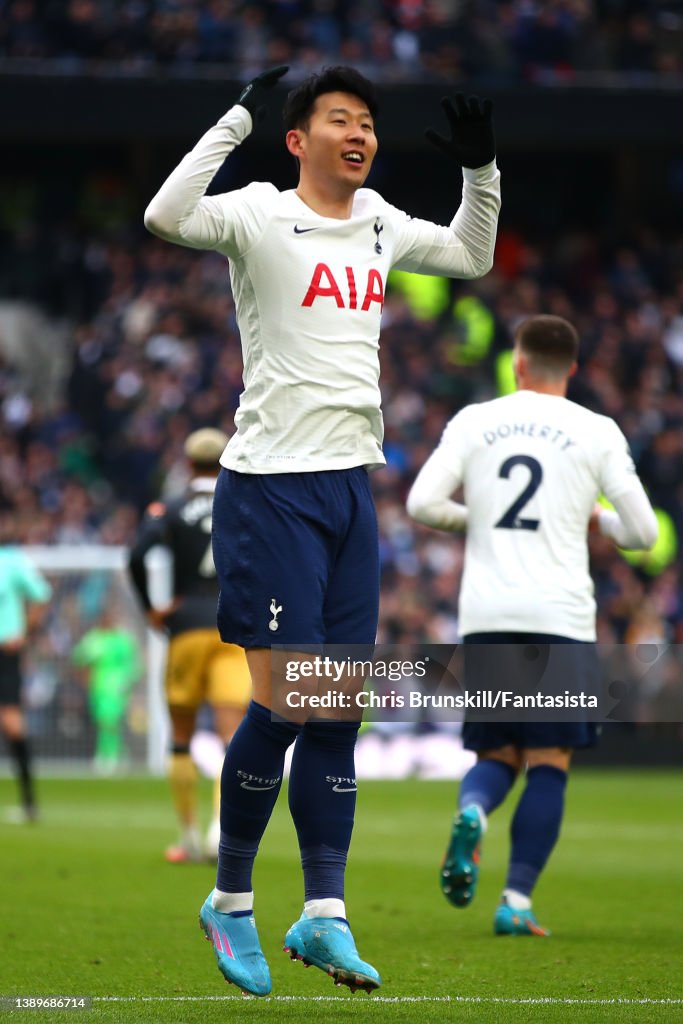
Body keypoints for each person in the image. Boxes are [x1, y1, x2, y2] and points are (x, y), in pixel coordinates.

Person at [144, 64, 500, 995]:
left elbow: (469, 257)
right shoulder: (257, 212)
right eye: (340, 119)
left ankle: (322, 914)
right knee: (290, 702)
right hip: (268, 490)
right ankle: (227, 902)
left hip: (350, 487)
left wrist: (480, 171)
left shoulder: (380, 219)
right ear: (298, 139)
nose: (361, 133)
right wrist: (234, 120)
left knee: (339, 708)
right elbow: (166, 216)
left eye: (369, 122)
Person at [407, 314, 658, 936]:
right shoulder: (596, 431)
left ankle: (473, 810)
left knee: (497, 752)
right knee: (548, 759)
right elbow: (645, 533)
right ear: (571, 368)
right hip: (560, 619)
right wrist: (594, 521)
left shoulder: (475, 421)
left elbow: (420, 504)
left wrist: (482, 521)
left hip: (487, 617)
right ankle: (516, 902)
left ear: (517, 363)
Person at [128, 428, 251, 862]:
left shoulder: (173, 506)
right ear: (224, 461)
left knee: (180, 738)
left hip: (185, 628)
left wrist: (151, 608)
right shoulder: (243, 501)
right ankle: (223, 831)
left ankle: (187, 837)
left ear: (187, 461)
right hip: (232, 629)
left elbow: (137, 554)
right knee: (233, 737)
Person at [0, 526, 52, 822]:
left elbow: (42, 594)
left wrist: (25, 631)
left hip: (5, 650)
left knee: (12, 722)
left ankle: (29, 802)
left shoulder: (11, 560)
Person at [72, 607, 142, 775]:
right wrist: (84, 679)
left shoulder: (121, 640)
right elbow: (78, 659)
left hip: (118, 687)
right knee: (104, 722)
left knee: (109, 720)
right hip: (99, 686)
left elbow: (135, 664)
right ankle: (117, 753)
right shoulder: (94, 639)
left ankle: (108, 756)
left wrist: (129, 680)